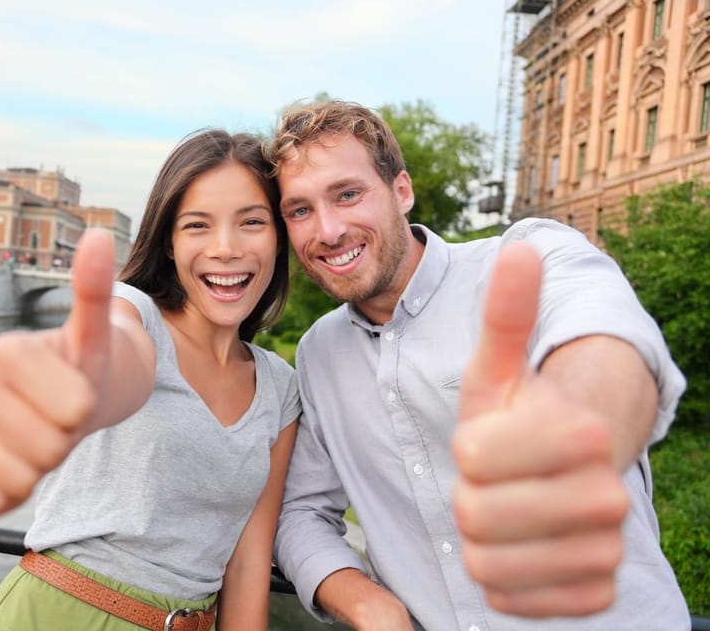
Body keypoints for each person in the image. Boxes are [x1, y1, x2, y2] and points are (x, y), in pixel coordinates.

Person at [267, 100, 690, 631]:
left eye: (348, 194)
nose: (327, 230)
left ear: (401, 190)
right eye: (300, 210)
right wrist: (365, 602)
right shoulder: (318, 354)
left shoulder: (527, 259)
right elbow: (301, 513)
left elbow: (605, 338)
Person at [0, 129, 300, 631]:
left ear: (278, 236)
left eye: (252, 222)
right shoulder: (136, 314)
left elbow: (249, 564)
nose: (225, 248)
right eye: (197, 225)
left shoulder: (280, 387)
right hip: (58, 615)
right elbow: (118, 355)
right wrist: (83, 383)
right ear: (169, 243)